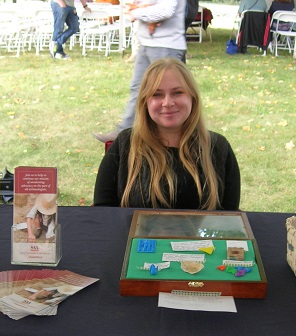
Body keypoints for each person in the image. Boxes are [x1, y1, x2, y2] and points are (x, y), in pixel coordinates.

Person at [93, 58, 241, 210]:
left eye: (177, 92)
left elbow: (230, 217)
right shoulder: (125, 144)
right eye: (157, 94)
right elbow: (103, 213)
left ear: (193, 97)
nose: (167, 103)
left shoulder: (218, 147)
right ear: (145, 102)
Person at [92, 0, 187, 143]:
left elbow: (165, 11)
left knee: (166, 97)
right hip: (147, 44)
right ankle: (124, 134)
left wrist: (136, 12)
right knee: (138, 89)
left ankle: (172, 139)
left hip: (166, 46)